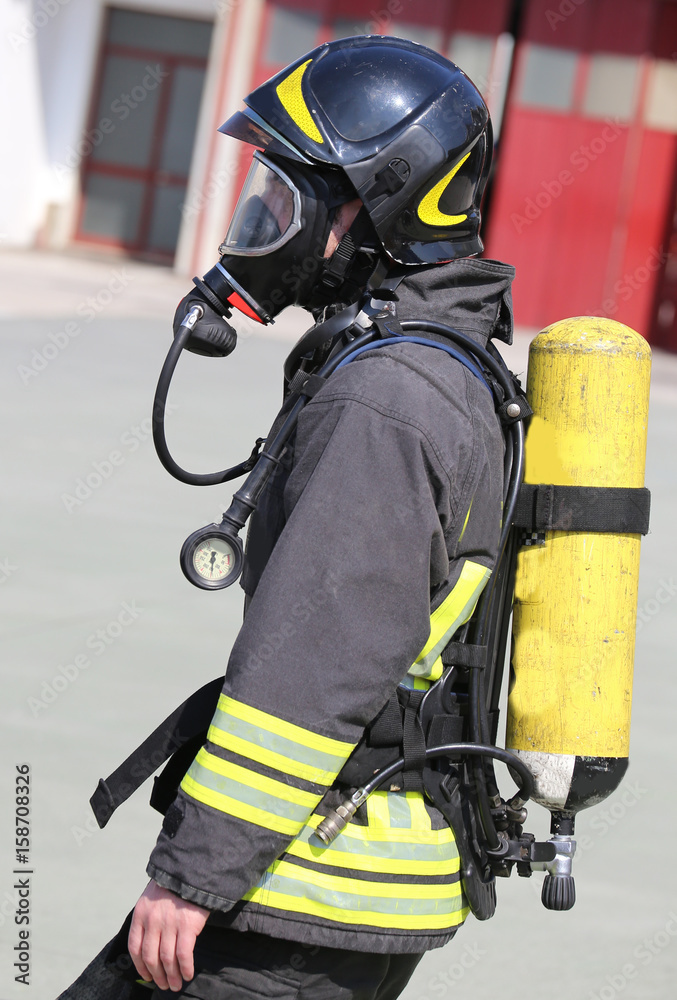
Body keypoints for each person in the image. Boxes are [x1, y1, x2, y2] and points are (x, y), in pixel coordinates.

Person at [65, 34, 517, 1000]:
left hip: (296, 901)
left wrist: (191, 877)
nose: (263, 222)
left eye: (288, 196)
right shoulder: (432, 364)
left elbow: (316, 661)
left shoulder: (386, 398)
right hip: (330, 891)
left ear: (373, 208)